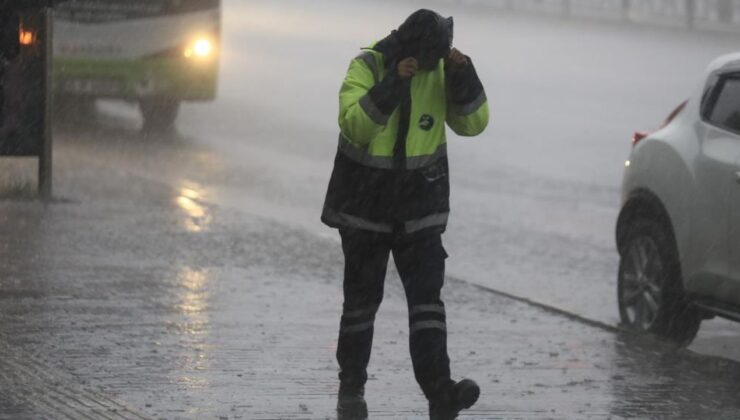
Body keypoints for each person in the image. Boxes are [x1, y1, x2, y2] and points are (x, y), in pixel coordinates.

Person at [321, 9, 490, 420]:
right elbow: (355, 125)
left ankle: (440, 392)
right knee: (361, 305)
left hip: (419, 213)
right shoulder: (367, 65)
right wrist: (393, 82)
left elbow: (474, 123)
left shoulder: (438, 71)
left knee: (427, 304)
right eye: (429, 58)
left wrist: (463, 73)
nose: (432, 65)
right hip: (365, 212)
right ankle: (352, 387)